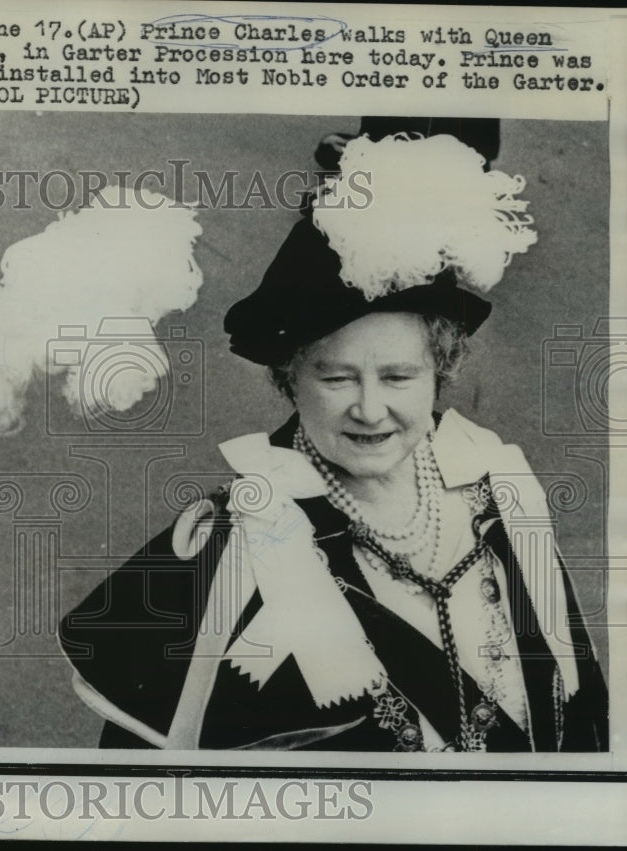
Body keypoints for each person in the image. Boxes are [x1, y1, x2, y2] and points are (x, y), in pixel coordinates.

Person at [59, 134, 609, 752]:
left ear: (440, 372)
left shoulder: (501, 495)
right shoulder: (234, 542)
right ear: (290, 378)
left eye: (399, 376)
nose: (370, 410)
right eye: (337, 376)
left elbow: (582, 726)